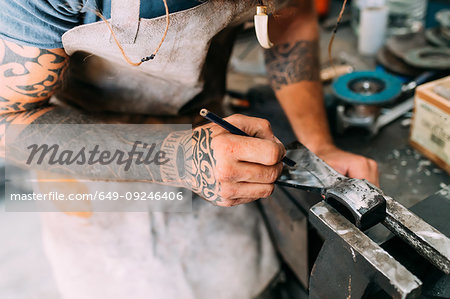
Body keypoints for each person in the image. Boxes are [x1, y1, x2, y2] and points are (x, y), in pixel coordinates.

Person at [0, 0, 379, 298]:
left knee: (241, 283)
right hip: (87, 170)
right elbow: (6, 122)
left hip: (217, 143)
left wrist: (319, 144)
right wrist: (181, 158)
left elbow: (290, 16)